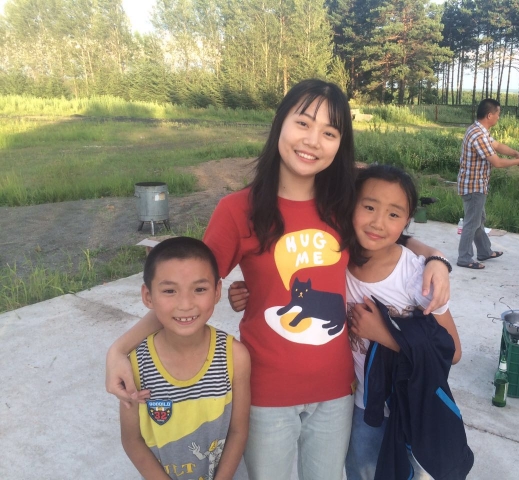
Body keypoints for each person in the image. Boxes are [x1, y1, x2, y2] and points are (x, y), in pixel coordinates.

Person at [107, 79, 451, 480]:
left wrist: (435, 257)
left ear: (340, 144)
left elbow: (388, 231)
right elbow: (188, 291)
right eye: (303, 123)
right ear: (280, 124)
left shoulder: (343, 205)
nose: (313, 141)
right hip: (266, 393)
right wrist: (120, 349)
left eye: (329, 132)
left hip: (336, 391)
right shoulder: (238, 210)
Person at [343, 164, 463, 480]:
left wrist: (386, 335)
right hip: (364, 407)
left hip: (410, 408)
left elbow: (451, 351)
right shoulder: (337, 260)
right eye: (369, 207)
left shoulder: (416, 275)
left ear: (407, 221)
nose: (378, 222)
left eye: (393, 214)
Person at [119, 237, 250, 480]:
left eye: (199, 289)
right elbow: (132, 440)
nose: (186, 304)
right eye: (170, 291)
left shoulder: (234, 356)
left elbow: (239, 431)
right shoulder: (135, 366)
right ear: (148, 296)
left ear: (217, 291)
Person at [456, 98, 519, 269]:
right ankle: (464, 258)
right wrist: (518, 162)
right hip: (473, 186)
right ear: (489, 115)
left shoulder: (480, 131)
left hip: (477, 184)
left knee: (479, 219)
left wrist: (516, 154)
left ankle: (484, 251)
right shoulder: (478, 135)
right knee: (472, 223)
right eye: (498, 113)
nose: (499, 117)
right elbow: (497, 162)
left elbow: (497, 145)